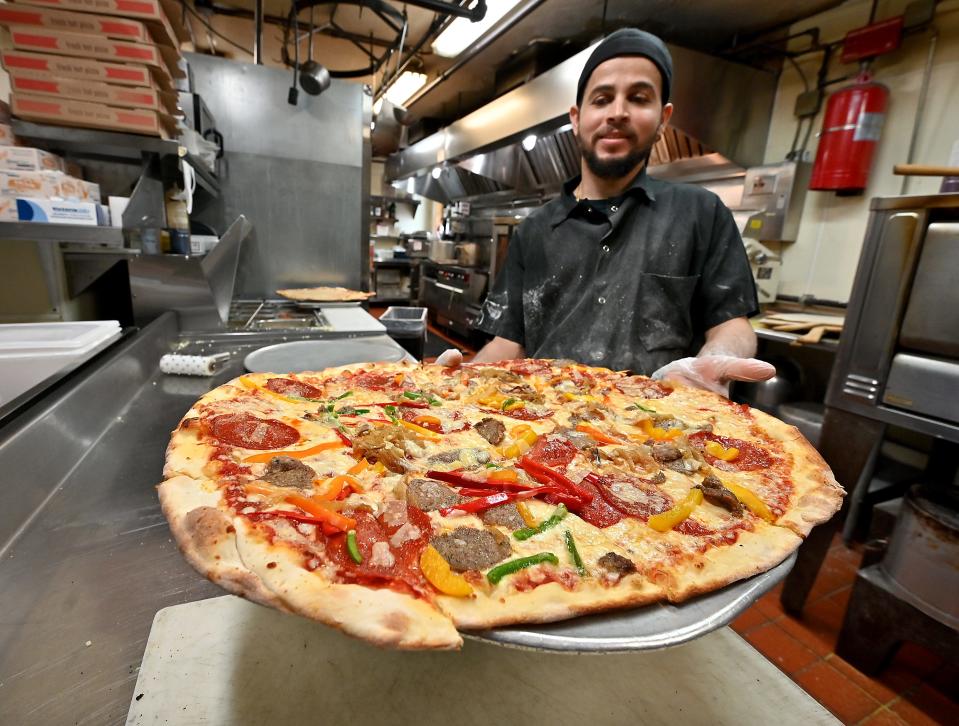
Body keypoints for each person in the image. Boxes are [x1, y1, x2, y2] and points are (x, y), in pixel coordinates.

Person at [436, 28, 774, 396]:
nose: (617, 112)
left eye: (639, 98)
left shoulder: (701, 212)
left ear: (664, 118)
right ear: (577, 117)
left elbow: (731, 324)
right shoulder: (533, 230)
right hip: (539, 429)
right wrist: (453, 388)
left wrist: (717, 358)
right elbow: (508, 344)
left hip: (656, 429)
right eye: (602, 99)